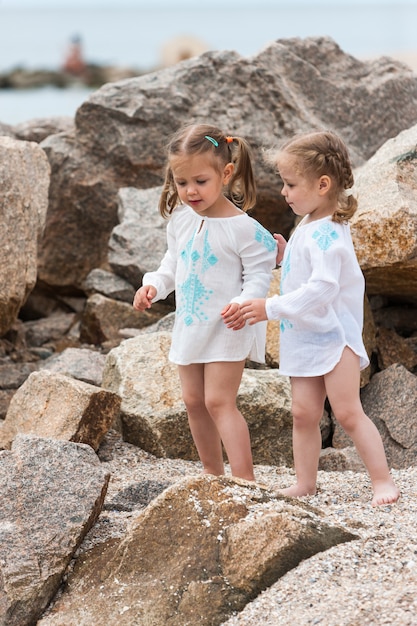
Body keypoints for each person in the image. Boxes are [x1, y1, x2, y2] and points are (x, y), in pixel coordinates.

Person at [240, 130, 400, 506]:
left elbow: (323, 288)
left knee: (346, 411)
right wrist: (285, 255)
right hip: (306, 335)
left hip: (334, 336)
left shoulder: (328, 232)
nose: (283, 191)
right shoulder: (310, 224)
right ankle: (305, 482)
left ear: (323, 184)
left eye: (290, 183)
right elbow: (306, 271)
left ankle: (382, 480)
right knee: (303, 413)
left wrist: (270, 307)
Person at [133, 124, 277, 481]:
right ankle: (213, 475)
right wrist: (153, 285)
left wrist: (246, 302)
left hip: (229, 324)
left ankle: (245, 480)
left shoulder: (245, 229)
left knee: (218, 401)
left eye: (200, 181)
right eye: (181, 183)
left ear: (225, 174)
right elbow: (172, 263)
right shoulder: (181, 220)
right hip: (191, 322)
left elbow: (259, 276)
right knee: (193, 401)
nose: (190, 191)